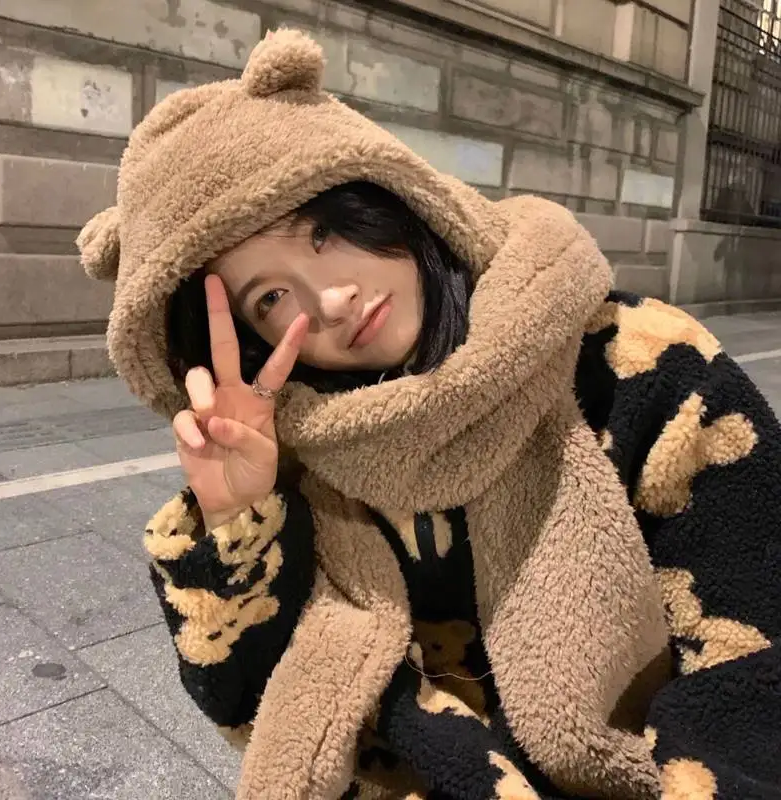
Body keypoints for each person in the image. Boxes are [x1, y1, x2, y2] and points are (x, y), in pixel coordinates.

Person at [77, 29, 781, 800]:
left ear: (390, 191)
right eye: (271, 297)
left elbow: (750, 670)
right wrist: (238, 521)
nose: (331, 298)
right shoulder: (300, 461)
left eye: (326, 232)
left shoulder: (639, 366)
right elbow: (244, 702)